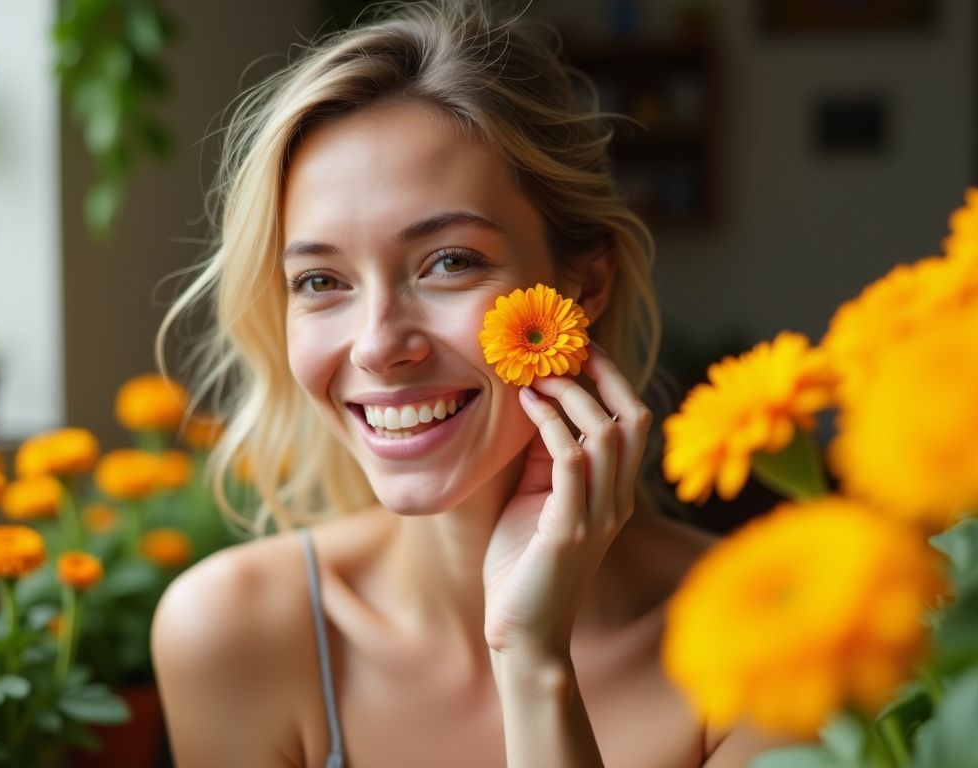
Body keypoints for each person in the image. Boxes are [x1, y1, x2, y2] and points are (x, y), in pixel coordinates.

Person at [152, 1, 786, 765]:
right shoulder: (234, 634)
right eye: (320, 280)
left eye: (450, 261)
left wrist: (533, 662)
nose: (380, 345)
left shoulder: (772, 641)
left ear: (582, 286)